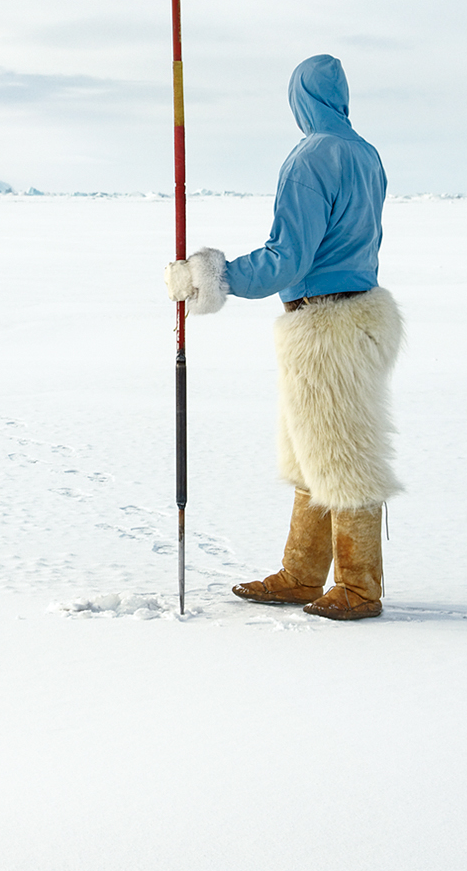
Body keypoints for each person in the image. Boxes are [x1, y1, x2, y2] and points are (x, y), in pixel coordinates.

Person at [165, 54, 403, 620]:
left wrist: (213, 277)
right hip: (359, 318)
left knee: (341, 458)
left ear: (299, 99)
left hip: (327, 328)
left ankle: (357, 587)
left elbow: (288, 259)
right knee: (312, 452)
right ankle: (301, 573)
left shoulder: (310, 159)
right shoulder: (366, 155)